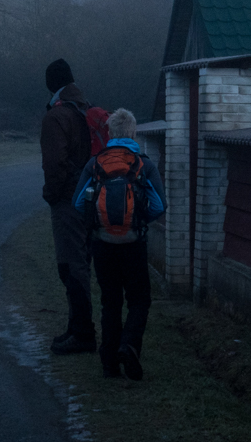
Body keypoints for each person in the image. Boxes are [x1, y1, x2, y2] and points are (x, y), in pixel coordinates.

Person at [73, 108, 166, 380]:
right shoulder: (143, 164)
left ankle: (109, 362)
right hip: (133, 244)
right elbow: (160, 204)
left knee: (110, 302)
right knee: (139, 300)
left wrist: (97, 223)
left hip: (102, 244)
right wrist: (139, 221)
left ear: (110, 133)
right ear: (133, 133)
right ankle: (129, 346)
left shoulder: (95, 163)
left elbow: (78, 203)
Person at [40, 58, 96, 355]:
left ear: (51, 84)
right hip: (89, 197)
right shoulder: (85, 108)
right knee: (81, 262)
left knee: (70, 265)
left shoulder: (56, 116)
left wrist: (51, 194)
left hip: (67, 201)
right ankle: (77, 327)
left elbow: (55, 165)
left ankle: (83, 334)